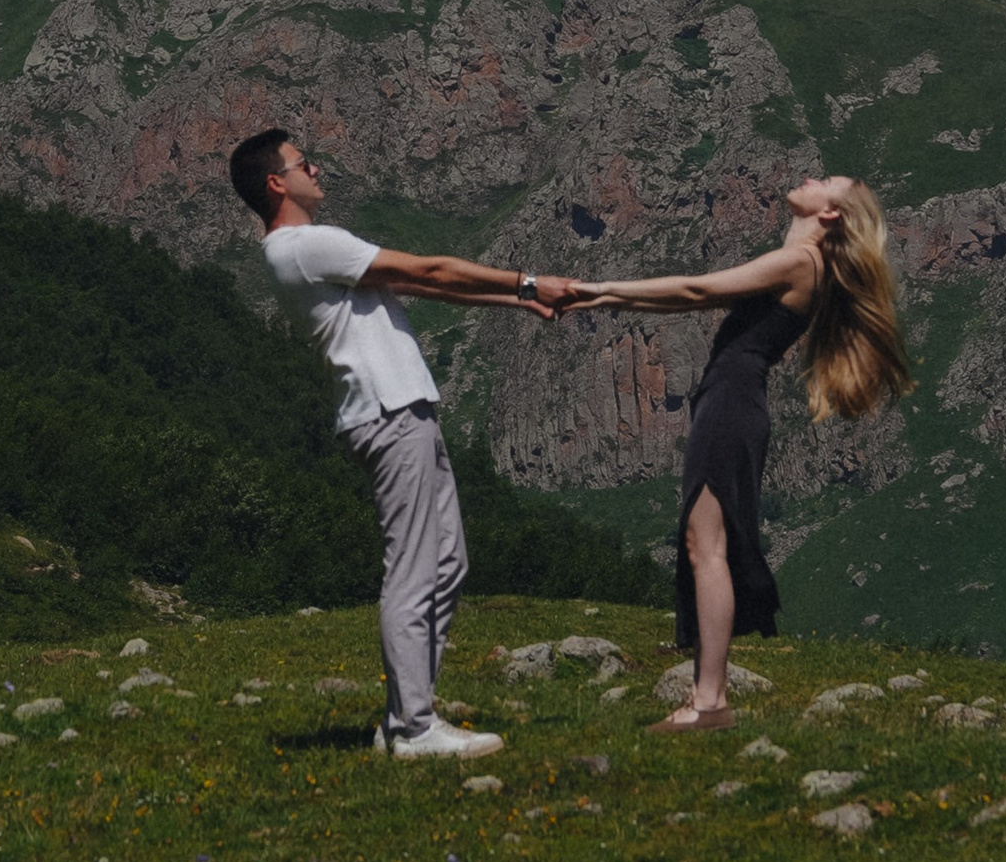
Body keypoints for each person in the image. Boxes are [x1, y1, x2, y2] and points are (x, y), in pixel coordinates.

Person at [230, 127, 572, 761]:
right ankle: (414, 727)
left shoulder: (305, 251)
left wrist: (513, 301)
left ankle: (402, 719)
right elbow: (428, 267)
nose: (316, 169)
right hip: (387, 412)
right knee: (414, 567)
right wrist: (527, 282)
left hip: (401, 408)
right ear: (277, 182)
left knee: (447, 563)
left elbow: (414, 285)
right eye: (305, 162)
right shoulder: (305, 244)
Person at [554, 175, 913, 730]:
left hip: (732, 401)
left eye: (827, 182)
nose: (812, 177)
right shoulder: (804, 263)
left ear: (832, 215)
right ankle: (706, 695)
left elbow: (699, 291)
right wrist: (600, 294)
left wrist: (600, 291)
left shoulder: (801, 263)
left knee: (708, 547)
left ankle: (711, 701)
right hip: (728, 399)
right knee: (704, 545)